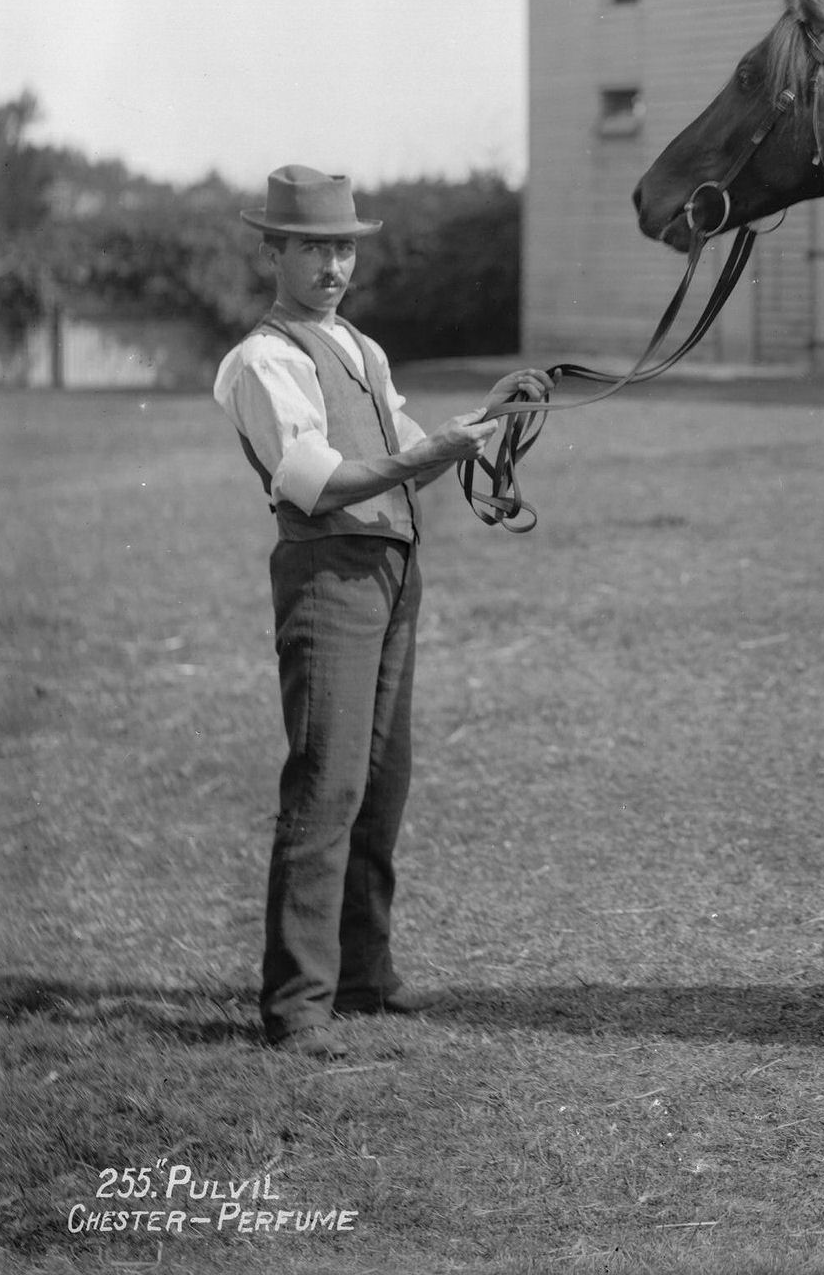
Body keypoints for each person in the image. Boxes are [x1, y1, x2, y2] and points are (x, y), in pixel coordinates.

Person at [212, 165, 549, 1058]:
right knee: (328, 782)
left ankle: (363, 979)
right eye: (313, 246)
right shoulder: (263, 361)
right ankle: (296, 1009)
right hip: (329, 576)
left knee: (381, 782)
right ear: (271, 252)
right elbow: (317, 484)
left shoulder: (361, 348)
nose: (332, 265)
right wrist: (431, 450)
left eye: (344, 247)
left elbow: (408, 450)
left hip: (395, 573)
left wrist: (489, 414)